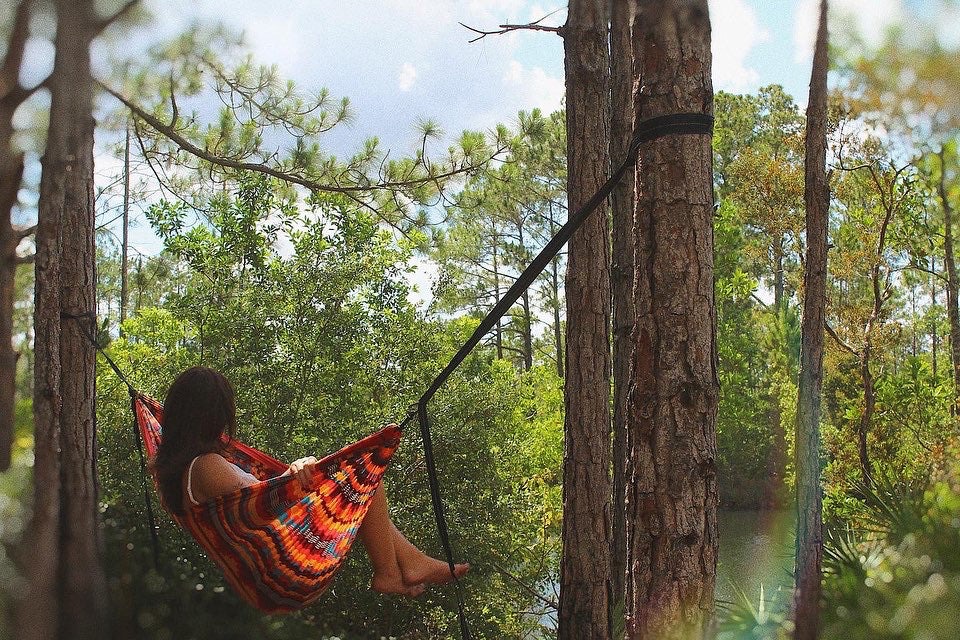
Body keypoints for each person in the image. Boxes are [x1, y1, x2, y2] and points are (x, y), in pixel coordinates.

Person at [151, 366, 469, 597]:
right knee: (363, 470)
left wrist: (296, 472)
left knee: (361, 479)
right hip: (279, 564)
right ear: (214, 416)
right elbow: (264, 506)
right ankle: (389, 572)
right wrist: (295, 476)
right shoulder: (205, 466)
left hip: (280, 548)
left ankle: (410, 562)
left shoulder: (191, 466)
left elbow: (261, 499)